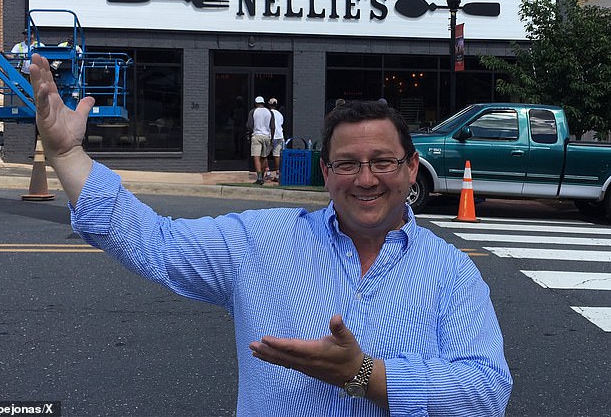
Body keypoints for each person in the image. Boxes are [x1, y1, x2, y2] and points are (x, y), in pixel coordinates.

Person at [29, 53, 512, 417]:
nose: (365, 179)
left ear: (410, 169)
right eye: (347, 164)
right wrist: (69, 155)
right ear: (325, 172)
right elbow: (153, 241)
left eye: (382, 162)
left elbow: (487, 392)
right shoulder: (259, 241)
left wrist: (365, 376)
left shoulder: (451, 271)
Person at [246, 95, 274, 185]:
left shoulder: (253, 112)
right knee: (264, 157)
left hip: (257, 135)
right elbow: (273, 126)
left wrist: (249, 135)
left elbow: (249, 125)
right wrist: (271, 138)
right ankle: (262, 175)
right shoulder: (269, 112)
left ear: (256, 103)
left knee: (256, 156)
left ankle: (259, 178)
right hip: (267, 136)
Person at [267, 98, 284, 183]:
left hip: (271, 136)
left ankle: (268, 172)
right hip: (279, 136)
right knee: (277, 155)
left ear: (269, 105)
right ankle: (277, 174)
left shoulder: (268, 113)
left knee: (264, 155)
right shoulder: (280, 114)